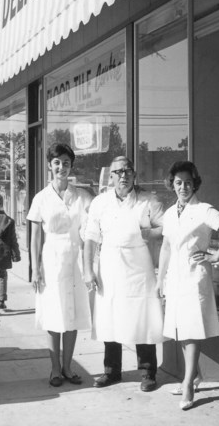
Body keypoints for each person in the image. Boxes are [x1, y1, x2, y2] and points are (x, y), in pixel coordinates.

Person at [155, 160, 219, 410]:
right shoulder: (170, 214)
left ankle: (188, 383)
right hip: (175, 278)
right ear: (172, 184)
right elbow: (167, 246)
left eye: (188, 182)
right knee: (181, 330)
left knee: (191, 331)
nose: (183, 187)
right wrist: (160, 280)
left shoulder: (204, 209)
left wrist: (216, 256)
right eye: (178, 182)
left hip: (194, 277)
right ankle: (196, 375)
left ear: (195, 184)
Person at [83, 156, 165, 391]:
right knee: (110, 317)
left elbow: (167, 226)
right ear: (110, 177)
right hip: (109, 265)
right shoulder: (100, 202)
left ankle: (148, 372)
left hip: (139, 267)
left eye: (128, 171)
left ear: (134, 175)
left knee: (142, 318)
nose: (123, 176)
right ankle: (112, 371)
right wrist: (89, 270)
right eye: (118, 172)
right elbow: (90, 237)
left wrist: (150, 233)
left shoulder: (148, 200)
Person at [27, 142, 94, 387]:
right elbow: (35, 237)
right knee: (55, 315)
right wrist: (35, 269)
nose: (61, 167)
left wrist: (89, 266)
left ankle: (68, 367)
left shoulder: (82, 196)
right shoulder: (41, 198)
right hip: (52, 260)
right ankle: (55, 369)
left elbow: (91, 230)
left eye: (66, 163)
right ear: (49, 165)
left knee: (72, 315)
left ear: (71, 166)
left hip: (75, 259)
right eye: (57, 162)